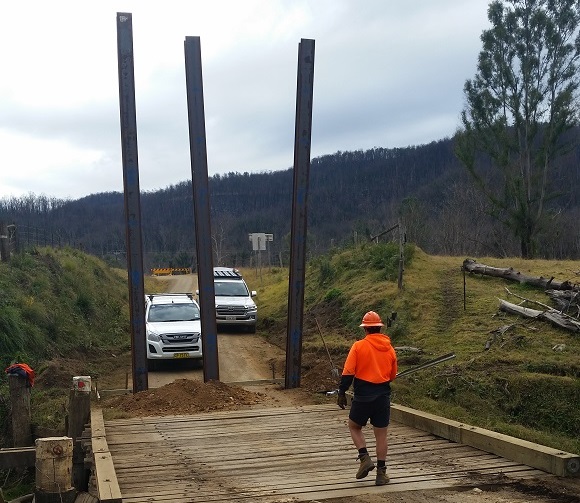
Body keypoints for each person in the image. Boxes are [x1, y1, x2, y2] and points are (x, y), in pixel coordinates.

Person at [337, 310, 398, 486]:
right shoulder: (390, 349)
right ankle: (381, 474)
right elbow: (392, 375)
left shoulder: (358, 346)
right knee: (381, 435)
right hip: (382, 397)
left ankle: (364, 458)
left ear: (365, 329)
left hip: (363, 396)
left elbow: (348, 372)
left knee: (354, 426)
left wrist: (342, 392)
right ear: (379, 328)